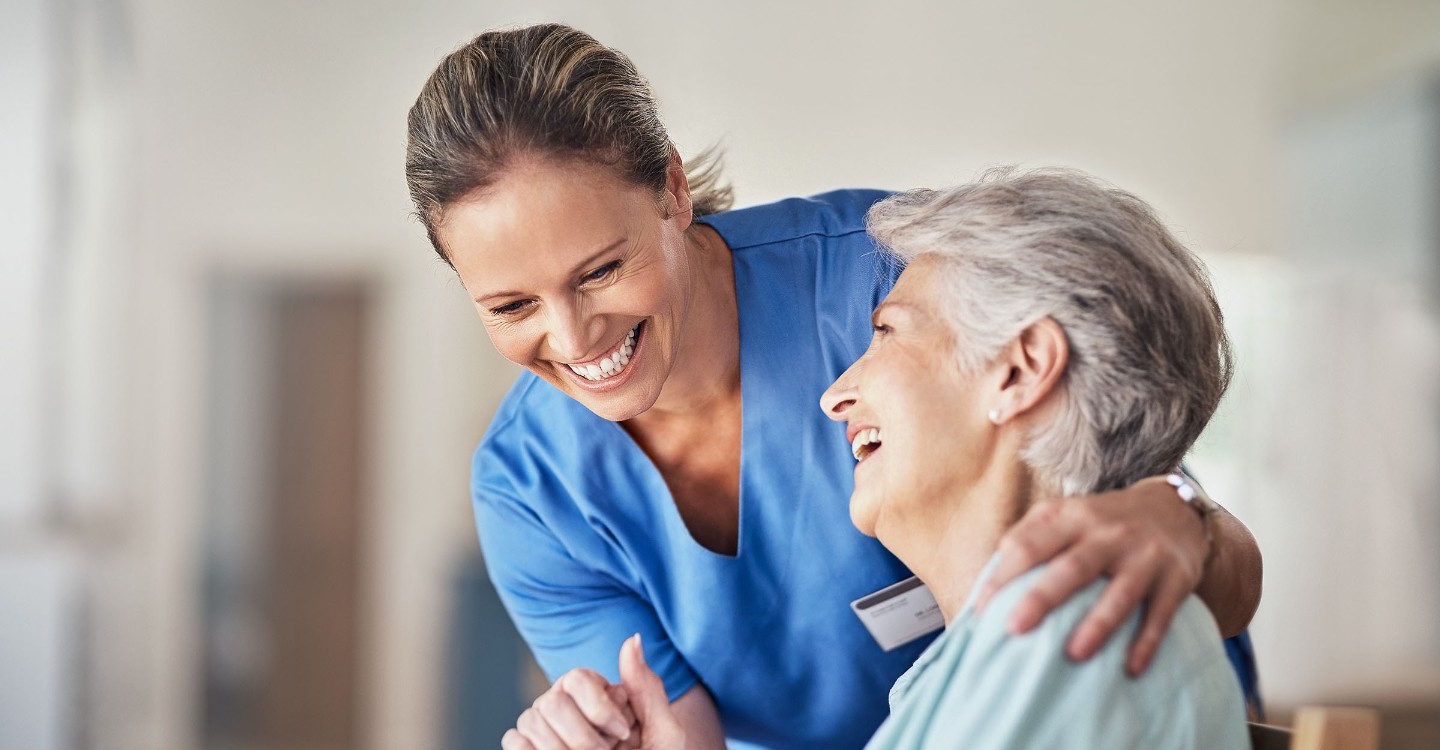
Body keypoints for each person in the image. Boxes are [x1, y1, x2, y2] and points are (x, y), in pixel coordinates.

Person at [404, 24, 1263, 750]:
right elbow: (679, 738)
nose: (573, 335)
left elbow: (1138, 442)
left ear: (671, 189)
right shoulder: (531, 486)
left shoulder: (896, 280)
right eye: (512, 304)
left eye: (599, 271)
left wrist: (1177, 509)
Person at [613, 167, 1250, 749]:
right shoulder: (981, 664)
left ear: (1019, 371)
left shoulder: (1067, 640)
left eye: (886, 331)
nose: (834, 396)